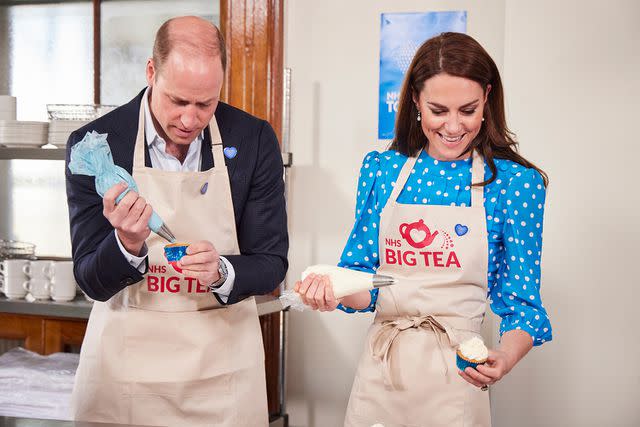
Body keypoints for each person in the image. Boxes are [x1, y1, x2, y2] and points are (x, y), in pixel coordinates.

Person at [295, 32, 552, 426]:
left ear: (487, 98)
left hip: (457, 379)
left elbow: (522, 303)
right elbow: (364, 281)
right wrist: (333, 292)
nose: (453, 126)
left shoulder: (515, 184)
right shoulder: (383, 171)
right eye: (438, 110)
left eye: (467, 110)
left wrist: (506, 356)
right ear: (415, 101)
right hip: (380, 373)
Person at [65, 16, 288, 426]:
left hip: (222, 381)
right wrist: (126, 244)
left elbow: (272, 262)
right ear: (152, 72)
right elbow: (90, 280)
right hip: (126, 377)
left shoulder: (253, 140)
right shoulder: (97, 146)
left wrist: (222, 271)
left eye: (206, 103)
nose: (190, 119)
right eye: (178, 101)